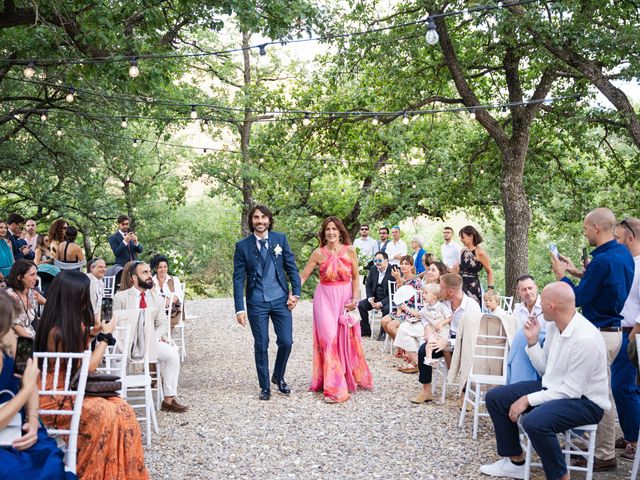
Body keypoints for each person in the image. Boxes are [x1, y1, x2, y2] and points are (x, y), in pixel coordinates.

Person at [479, 282, 610, 480]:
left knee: (535, 422)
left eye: (543, 301)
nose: (537, 304)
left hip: (585, 402)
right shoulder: (553, 327)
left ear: (551, 307)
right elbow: (545, 370)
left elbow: (571, 392)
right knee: (496, 397)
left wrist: (527, 400)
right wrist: (532, 341)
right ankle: (516, 462)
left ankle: (560, 476)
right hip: (555, 387)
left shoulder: (585, 338)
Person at [35, 271, 149, 480]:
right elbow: (86, 367)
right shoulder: (56, 332)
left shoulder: (67, 325)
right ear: (73, 296)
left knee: (124, 410)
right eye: (83, 294)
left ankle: (122, 474)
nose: (86, 298)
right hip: (55, 396)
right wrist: (105, 336)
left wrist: (91, 332)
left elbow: (78, 356)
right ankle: (94, 474)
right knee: (105, 414)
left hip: (74, 390)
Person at [551, 207, 634, 471]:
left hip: (599, 333)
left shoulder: (602, 262)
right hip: (613, 331)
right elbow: (604, 285)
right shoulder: (623, 254)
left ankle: (605, 453)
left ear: (596, 228)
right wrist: (579, 273)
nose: (585, 232)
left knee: (599, 395)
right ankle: (594, 444)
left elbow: (577, 299)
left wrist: (562, 277)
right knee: (594, 390)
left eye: (586, 228)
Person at [0, 290, 74, 480]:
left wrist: (33, 422)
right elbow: (27, 388)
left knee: (51, 463)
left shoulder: (19, 345)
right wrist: (24, 392)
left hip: (21, 426)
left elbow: (31, 387)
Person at [299, 216, 373, 403]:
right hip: (324, 297)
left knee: (346, 339)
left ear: (340, 232)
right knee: (329, 338)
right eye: (328, 229)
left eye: (334, 229)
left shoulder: (350, 251)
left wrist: (355, 299)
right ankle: (335, 388)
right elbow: (303, 276)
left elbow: (356, 277)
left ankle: (345, 377)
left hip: (344, 297)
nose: (331, 232)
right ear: (324, 233)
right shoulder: (318, 253)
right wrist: (292, 294)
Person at [233, 205, 301, 401]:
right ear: (251, 221)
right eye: (256, 217)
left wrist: (295, 293)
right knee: (261, 344)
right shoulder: (242, 246)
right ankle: (265, 387)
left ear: (269, 220)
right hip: (256, 302)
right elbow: (238, 279)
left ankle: (278, 376)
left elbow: (291, 268)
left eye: (263, 217)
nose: (260, 221)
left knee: (286, 341)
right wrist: (240, 308)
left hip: (280, 299)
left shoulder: (280, 240)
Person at [113, 261, 187, 412]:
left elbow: (162, 323)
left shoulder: (156, 299)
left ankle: (168, 399)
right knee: (114, 360)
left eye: (148, 272)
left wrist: (153, 338)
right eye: (144, 273)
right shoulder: (120, 298)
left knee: (172, 354)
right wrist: (126, 340)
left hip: (150, 342)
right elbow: (113, 325)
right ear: (134, 278)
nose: (149, 277)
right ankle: (115, 402)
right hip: (126, 344)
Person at [411, 273, 481, 404]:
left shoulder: (472, 307)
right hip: (441, 337)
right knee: (422, 350)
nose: (438, 289)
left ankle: (464, 395)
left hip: (463, 343)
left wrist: (448, 342)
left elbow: (473, 337)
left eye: (441, 287)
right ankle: (426, 390)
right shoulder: (442, 303)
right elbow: (425, 315)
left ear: (450, 291)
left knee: (469, 356)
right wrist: (427, 328)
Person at [612, 217, 640, 461]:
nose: (615, 243)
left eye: (618, 239)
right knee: (621, 388)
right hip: (619, 331)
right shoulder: (626, 263)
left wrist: (634, 334)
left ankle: (634, 440)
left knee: (625, 387)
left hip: (631, 333)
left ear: (630, 238)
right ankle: (631, 432)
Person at [394, 283, 451, 373]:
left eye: (425, 293)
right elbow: (418, 314)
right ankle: (428, 359)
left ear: (435, 295)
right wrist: (406, 308)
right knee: (429, 343)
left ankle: (435, 361)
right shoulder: (426, 307)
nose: (423, 295)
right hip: (433, 332)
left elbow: (449, 317)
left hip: (442, 331)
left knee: (430, 342)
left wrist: (441, 323)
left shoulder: (442, 306)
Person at [507, 275, 546, 385]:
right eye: (524, 290)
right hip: (522, 351)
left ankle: (519, 386)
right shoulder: (517, 310)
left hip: (541, 349)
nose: (528, 292)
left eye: (530, 288)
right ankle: (517, 386)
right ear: (519, 292)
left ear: (536, 287)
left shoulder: (545, 306)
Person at [380, 255, 423, 344]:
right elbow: (397, 297)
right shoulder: (401, 279)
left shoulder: (416, 280)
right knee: (384, 321)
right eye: (401, 264)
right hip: (401, 309)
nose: (403, 266)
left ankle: (406, 349)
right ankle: (401, 347)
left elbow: (406, 295)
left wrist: (398, 279)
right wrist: (399, 309)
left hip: (411, 310)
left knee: (391, 326)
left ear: (411, 266)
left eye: (406, 264)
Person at [453, 225, 494, 306]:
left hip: (473, 287)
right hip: (460, 286)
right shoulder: (462, 251)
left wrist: (490, 289)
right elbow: (459, 271)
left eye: (463, 237)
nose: (461, 240)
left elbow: (489, 271)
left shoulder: (480, 252)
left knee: (472, 312)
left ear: (471, 236)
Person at [5, 260, 46, 338]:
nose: (36, 278)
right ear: (20, 277)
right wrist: (34, 342)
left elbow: (49, 304)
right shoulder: (9, 296)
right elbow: (15, 327)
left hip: (31, 336)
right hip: (16, 341)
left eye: (36, 274)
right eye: (32, 274)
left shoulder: (31, 293)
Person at [357, 251, 393, 338]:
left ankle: (383, 333)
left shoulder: (393, 270)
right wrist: (370, 298)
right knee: (361, 305)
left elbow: (393, 293)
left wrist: (381, 303)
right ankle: (366, 331)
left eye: (379, 260)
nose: (377, 263)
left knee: (387, 308)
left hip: (388, 299)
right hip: (375, 297)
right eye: (375, 260)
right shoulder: (373, 269)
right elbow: (368, 285)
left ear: (386, 261)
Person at [150, 254, 183, 329]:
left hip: (172, 310)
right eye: (160, 267)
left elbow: (178, 296)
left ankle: (162, 337)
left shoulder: (174, 279)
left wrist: (166, 302)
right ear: (156, 268)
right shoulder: (151, 281)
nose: (163, 269)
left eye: (165, 267)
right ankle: (160, 338)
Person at [86, 258, 107, 331]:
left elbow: (100, 304)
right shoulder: (87, 281)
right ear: (92, 268)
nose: (104, 269)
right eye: (100, 267)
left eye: (105, 267)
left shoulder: (100, 282)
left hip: (97, 320)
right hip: (87, 321)